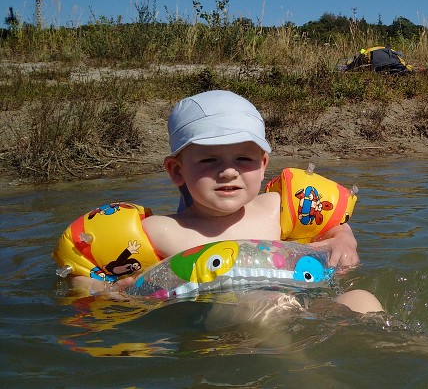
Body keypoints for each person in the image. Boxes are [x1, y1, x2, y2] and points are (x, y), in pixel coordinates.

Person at [74, 89, 383, 315]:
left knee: (362, 299)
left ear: (263, 165)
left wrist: (344, 242)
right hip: (220, 335)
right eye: (209, 159)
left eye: (243, 159)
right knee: (261, 305)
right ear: (177, 170)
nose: (228, 171)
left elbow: (335, 227)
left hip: (301, 309)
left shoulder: (276, 210)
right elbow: (85, 272)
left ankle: (406, 348)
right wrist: (111, 293)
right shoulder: (162, 232)